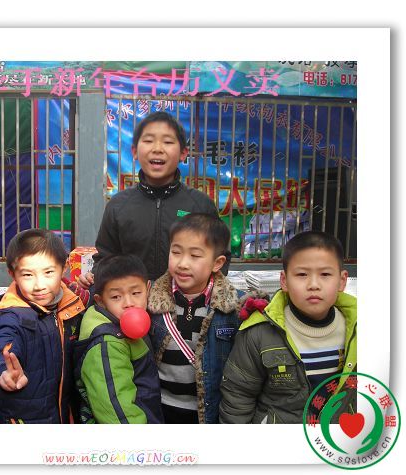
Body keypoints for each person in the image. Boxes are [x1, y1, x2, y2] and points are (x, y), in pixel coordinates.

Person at [219, 231, 357, 424]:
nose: (314, 285)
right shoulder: (259, 331)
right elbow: (238, 395)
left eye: (325, 274)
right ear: (284, 281)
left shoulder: (357, 329)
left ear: (342, 281)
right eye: (302, 275)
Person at [78, 111, 220, 290]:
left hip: (186, 302)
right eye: (148, 140)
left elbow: (219, 256)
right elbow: (106, 259)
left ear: (183, 153)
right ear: (134, 151)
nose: (157, 148)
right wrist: (93, 277)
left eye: (168, 142)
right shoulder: (118, 206)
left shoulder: (201, 205)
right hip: (132, 301)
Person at [0, 229, 85, 424]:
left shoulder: (74, 305)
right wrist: (1, 374)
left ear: (64, 268)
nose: (39, 285)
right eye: (27, 275)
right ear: (12, 274)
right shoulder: (13, 318)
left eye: (48, 272)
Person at [148, 213, 239, 424]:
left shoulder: (233, 309)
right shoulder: (149, 299)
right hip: (159, 410)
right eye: (176, 252)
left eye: (195, 256)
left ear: (217, 263)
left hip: (208, 414)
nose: (182, 263)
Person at [73, 255, 164, 424]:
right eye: (116, 297)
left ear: (148, 289)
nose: (128, 303)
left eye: (136, 293)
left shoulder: (127, 324)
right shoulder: (107, 345)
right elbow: (115, 409)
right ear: (100, 301)